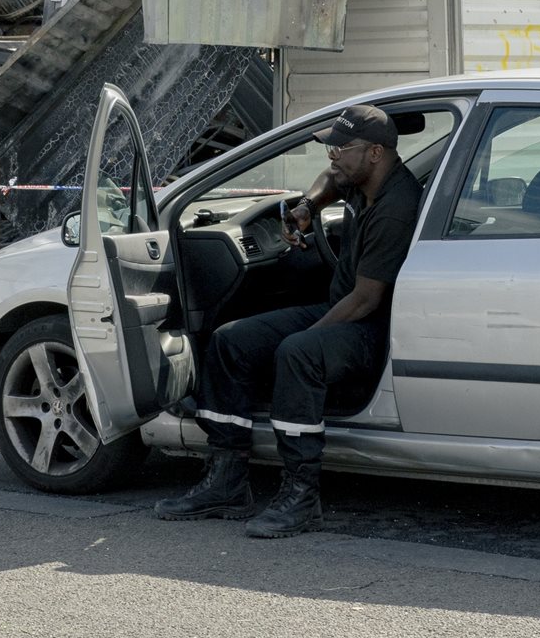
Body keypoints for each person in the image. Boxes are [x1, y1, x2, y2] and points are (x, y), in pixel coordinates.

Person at [153, 103, 422, 538]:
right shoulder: (360, 178)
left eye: (341, 149)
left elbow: (367, 300)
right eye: (330, 149)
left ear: (375, 152)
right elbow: (331, 181)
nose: (332, 157)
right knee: (230, 341)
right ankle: (226, 482)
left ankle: (301, 497)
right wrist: (306, 208)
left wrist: (307, 336)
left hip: (375, 329)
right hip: (345, 310)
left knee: (297, 353)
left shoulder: (396, 206)